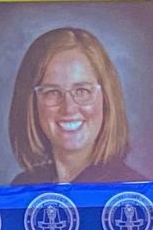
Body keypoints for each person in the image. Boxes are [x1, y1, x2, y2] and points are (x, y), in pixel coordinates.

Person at [8, 27, 145, 184]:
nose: (68, 108)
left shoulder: (135, 195)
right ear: (31, 104)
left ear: (107, 99)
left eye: (82, 91)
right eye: (52, 92)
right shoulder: (23, 187)